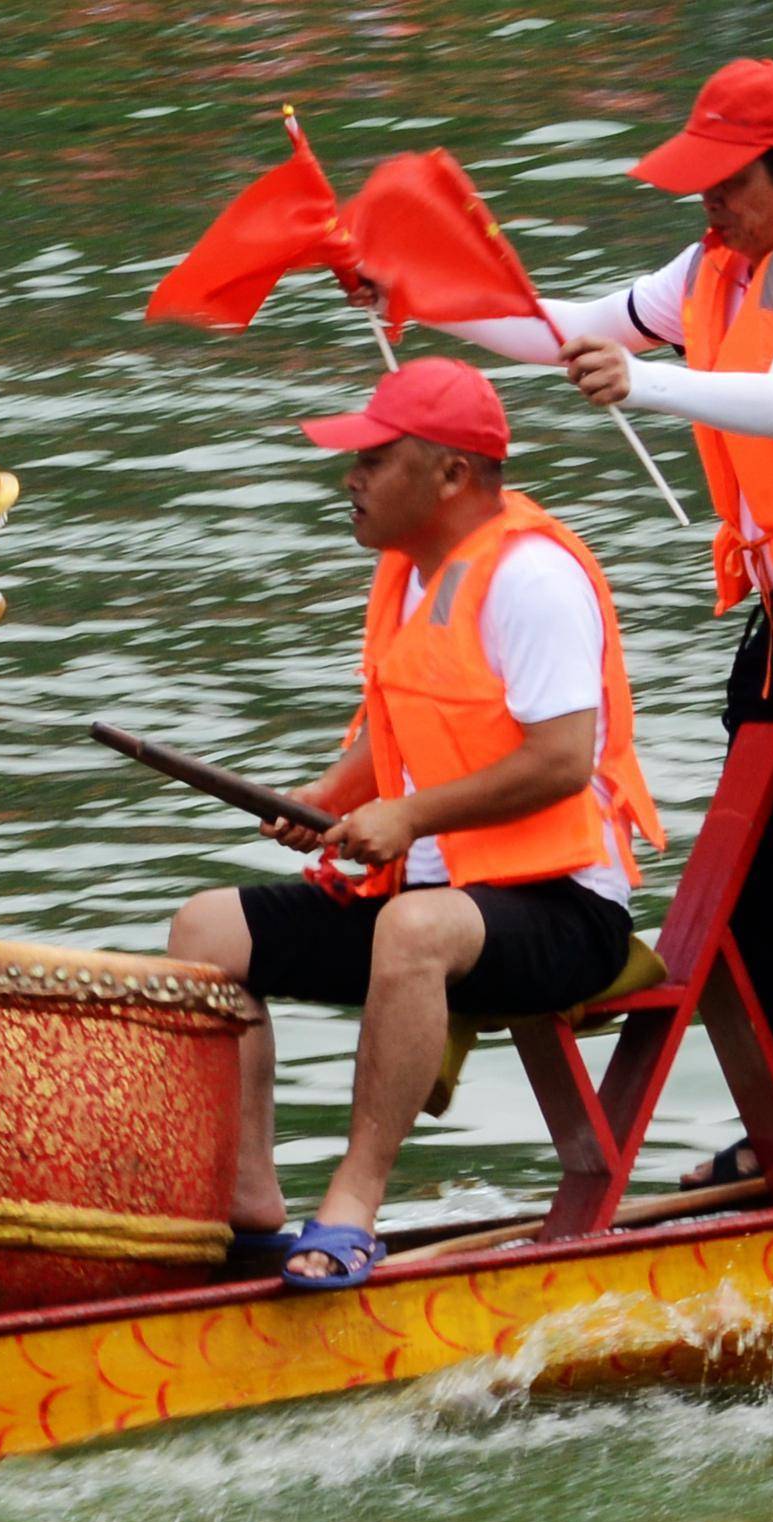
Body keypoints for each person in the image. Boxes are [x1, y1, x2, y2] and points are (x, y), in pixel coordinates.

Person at [437, 57, 773, 1202]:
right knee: (747, 880)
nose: (709, 207)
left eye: (727, 183)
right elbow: (563, 328)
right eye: (699, 187)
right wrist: (412, 298)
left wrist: (644, 386)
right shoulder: (712, 272)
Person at [160, 361, 667, 1291]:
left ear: (451, 476)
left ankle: (352, 1207)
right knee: (205, 931)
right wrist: (323, 801)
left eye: (374, 459)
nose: (349, 478)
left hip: (564, 910)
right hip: (437, 891)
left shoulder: (533, 577)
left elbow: (562, 759)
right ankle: (250, 1207)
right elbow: (400, 736)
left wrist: (410, 817)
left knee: (411, 929)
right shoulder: (406, 573)